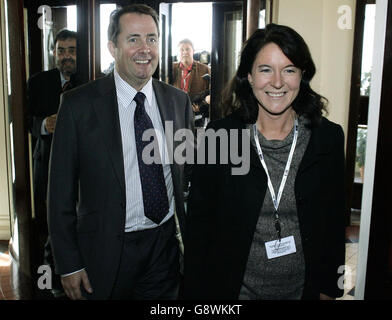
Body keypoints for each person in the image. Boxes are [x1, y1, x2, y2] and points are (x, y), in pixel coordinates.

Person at [183, 24, 346, 300]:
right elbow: (199, 228)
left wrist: (330, 288)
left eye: (290, 70)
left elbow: (333, 221)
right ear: (248, 75)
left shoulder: (327, 139)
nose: (278, 82)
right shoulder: (221, 136)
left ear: (302, 75)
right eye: (266, 69)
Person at [47, 4, 193, 300]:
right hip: (104, 251)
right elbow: (59, 193)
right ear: (113, 47)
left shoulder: (178, 102)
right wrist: (69, 263)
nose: (145, 49)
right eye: (133, 39)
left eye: (151, 39)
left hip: (162, 250)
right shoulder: (78, 106)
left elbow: (188, 173)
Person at [26, 28, 79, 298]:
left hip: (82, 168)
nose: (66, 56)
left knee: (76, 219)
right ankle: (51, 282)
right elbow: (24, 119)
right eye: (61, 50)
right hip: (46, 162)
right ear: (53, 53)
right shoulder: (38, 82)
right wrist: (43, 125)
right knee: (49, 223)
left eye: (71, 50)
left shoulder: (93, 80)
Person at [172, 39, 211, 127]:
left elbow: (212, 93)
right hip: (175, 115)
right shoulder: (170, 69)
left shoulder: (205, 69)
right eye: (181, 50)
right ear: (178, 52)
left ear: (193, 51)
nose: (184, 52)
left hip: (197, 117)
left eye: (187, 49)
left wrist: (201, 106)